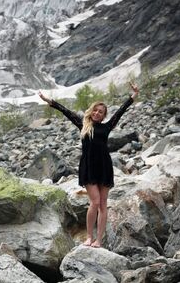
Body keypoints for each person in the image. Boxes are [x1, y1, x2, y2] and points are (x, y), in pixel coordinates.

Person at [39, 82, 139, 248]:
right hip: (89, 167)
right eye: (95, 110)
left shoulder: (107, 127)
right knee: (94, 201)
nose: (97, 113)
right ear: (91, 111)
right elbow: (65, 111)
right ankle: (89, 237)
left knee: (103, 204)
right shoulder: (83, 125)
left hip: (104, 167)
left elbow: (121, 111)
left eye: (101, 112)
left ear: (104, 116)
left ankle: (99, 240)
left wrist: (133, 96)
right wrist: (48, 100)